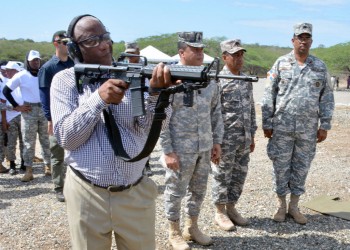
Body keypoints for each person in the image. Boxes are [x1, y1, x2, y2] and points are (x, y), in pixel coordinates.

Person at [50, 14, 174, 249]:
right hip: (87, 193)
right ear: (76, 48)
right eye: (92, 41)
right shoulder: (65, 80)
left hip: (135, 192)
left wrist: (158, 95)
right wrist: (98, 99)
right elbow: (66, 138)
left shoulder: (133, 76)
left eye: (105, 37)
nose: (104, 45)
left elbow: (150, 129)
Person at [262, 23, 334, 225]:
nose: (303, 41)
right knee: (280, 166)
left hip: (308, 129)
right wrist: (267, 122)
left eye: (307, 37)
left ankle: (294, 206)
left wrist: (325, 125)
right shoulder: (280, 63)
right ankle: (281, 206)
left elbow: (326, 97)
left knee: (301, 167)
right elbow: (269, 95)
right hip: (282, 127)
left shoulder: (319, 66)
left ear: (311, 41)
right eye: (299, 37)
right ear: (292, 40)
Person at [159, 31, 223, 249]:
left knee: (198, 189)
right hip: (180, 148)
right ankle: (173, 231)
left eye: (201, 49)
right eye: (194, 49)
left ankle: (191, 227)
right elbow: (161, 116)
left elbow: (216, 113)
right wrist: (167, 150)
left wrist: (217, 142)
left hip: (203, 146)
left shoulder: (209, 81)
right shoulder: (169, 79)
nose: (199, 53)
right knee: (175, 191)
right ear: (181, 52)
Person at [211, 39, 257, 231]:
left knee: (239, 175)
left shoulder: (245, 79)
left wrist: (252, 134)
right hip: (225, 139)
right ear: (224, 57)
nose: (239, 58)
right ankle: (219, 212)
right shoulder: (216, 80)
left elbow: (251, 107)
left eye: (241, 54)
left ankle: (231, 208)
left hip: (243, 138)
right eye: (235, 55)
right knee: (222, 175)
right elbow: (212, 111)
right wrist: (215, 141)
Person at [3, 50, 51, 182]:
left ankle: (48, 166)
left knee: (45, 140)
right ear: (28, 61)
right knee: (28, 142)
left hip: (43, 109)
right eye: (33, 60)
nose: (36, 62)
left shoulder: (43, 73)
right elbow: (6, 90)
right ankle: (29, 170)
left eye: (37, 60)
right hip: (29, 110)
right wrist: (16, 106)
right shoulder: (21, 75)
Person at [38, 30, 74, 202]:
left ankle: (74, 186)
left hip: (75, 114)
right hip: (57, 117)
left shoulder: (75, 64)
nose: (67, 45)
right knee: (57, 154)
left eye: (69, 42)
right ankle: (59, 187)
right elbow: (44, 96)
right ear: (55, 43)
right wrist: (49, 119)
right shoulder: (48, 68)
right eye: (63, 42)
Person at [124, 41, 153, 177]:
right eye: (127, 53)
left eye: (132, 53)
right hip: (128, 105)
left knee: (146, 137)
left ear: (138, 52)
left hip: (144, 102)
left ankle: (146, 164)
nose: (130, 56)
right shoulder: (122, 67)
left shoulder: (146, 67)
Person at [1, 61, 27, 175]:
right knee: (11, 142)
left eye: (9, 70)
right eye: (6, 70)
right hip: (11, 117)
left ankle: (24, 163)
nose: (6, 72)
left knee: (24, 142)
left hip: (24, 116)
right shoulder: (4, 83)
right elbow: (2, 104)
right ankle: (12, 164)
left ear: (16, 71)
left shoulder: (23, 81)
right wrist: (6, 118)